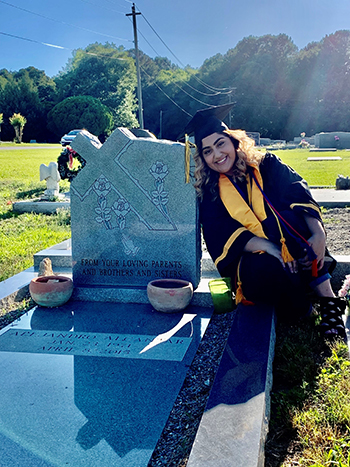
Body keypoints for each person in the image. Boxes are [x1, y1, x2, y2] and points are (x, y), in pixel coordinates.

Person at [184, 104, 346, 339]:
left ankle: (328, 301)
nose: (217, 155)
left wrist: (319, 235)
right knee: (264, 269)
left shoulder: (266, 164)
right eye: (207, 151)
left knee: (291, 224)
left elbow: (298, 194)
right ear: (202, 157)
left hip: (295, 246)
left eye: (220, 144)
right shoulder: (211, 192)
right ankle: (305, 306)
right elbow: (219, 233)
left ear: (233, 141)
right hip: (255, 259)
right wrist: (269, 248)